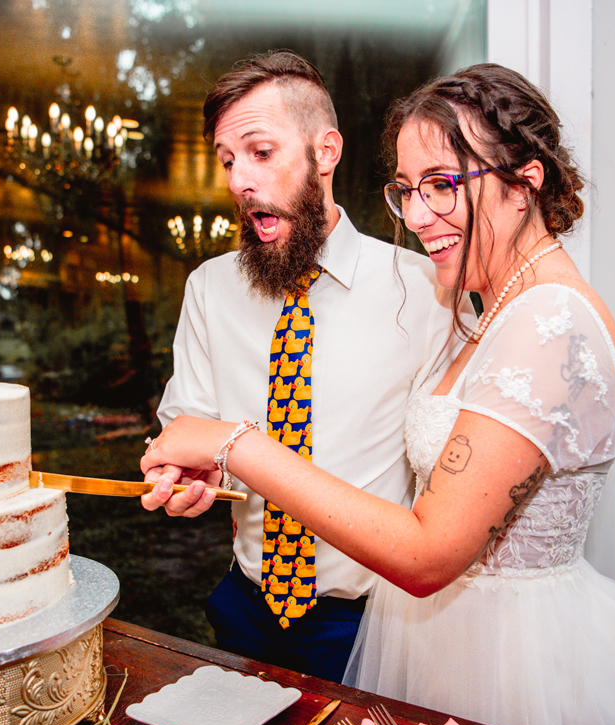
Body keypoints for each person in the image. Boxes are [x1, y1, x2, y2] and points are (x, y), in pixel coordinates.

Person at [142, 63, 615, 725]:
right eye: (409, 190)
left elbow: (427, 549)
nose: (417, 217)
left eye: (443, 184)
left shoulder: (540, 318)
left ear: (524, 183)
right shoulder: (500, 305)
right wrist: (199, 463)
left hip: (508, 663)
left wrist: (239, 444)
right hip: (419, 641)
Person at [141, 51, 468, 683]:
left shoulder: (425, 289)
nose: (239, 180)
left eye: (260, 152)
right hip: (243, 605)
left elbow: (449, 481)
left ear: (326, 152)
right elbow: (190, 423)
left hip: (373, 624)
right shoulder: (209, 288)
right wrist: (182, 475)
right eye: (228, 160)